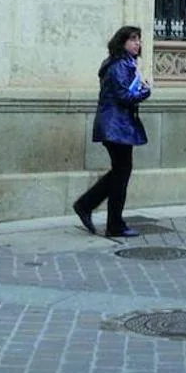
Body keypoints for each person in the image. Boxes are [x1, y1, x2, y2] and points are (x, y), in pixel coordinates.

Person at [73, 25, 151, 237]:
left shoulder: (125, 63)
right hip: (116, 127)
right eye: (133, 39)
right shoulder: (119, 65)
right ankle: (111, 222)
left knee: (120, 172)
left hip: (118, 126)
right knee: (121, 173)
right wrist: (145, 91)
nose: (138, 43)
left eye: (139, 39)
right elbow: (124, 96)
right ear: (122, 42)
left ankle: (89, 206)